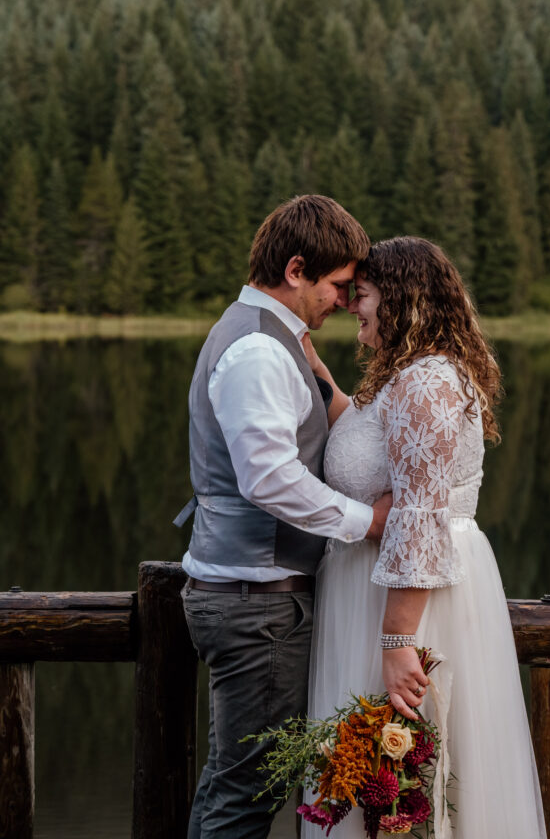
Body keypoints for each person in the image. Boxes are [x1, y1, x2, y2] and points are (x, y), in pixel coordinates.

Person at [302, 237, 547, 839]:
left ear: (401, 299)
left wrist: (397, 640)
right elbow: (364, 447)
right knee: (376, 784)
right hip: (377, 588)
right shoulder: (404, 376)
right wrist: (312, 366)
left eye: (362, 296)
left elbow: (418, 517)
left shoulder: (428, 382)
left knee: (412, 778)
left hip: (413, 605)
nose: (353, 307)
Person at [175, 195, 392, 839]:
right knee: (245, 793)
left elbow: (328, 421)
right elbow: (269, 478)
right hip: (256, 604)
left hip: (255, 598)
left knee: (236, 783)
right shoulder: (259, 353)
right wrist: (367, 521)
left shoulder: (275, 340)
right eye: (336, 286)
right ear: (295, 270)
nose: (346, 302)